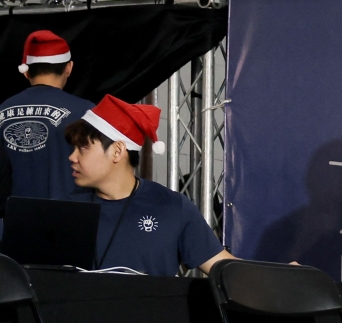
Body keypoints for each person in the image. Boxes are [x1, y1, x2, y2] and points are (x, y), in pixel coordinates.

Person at [63, 95, 235, 276]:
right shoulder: (65, 209)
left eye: (83, 148)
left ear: (117, 151)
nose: (72, 157)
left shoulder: (172, 207)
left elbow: (227, 271)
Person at [0, 30, 93, 203]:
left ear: (26, 72)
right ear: (69, 67)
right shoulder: (86, 111)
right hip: (74, 211)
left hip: (18, 214)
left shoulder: (3, 110)